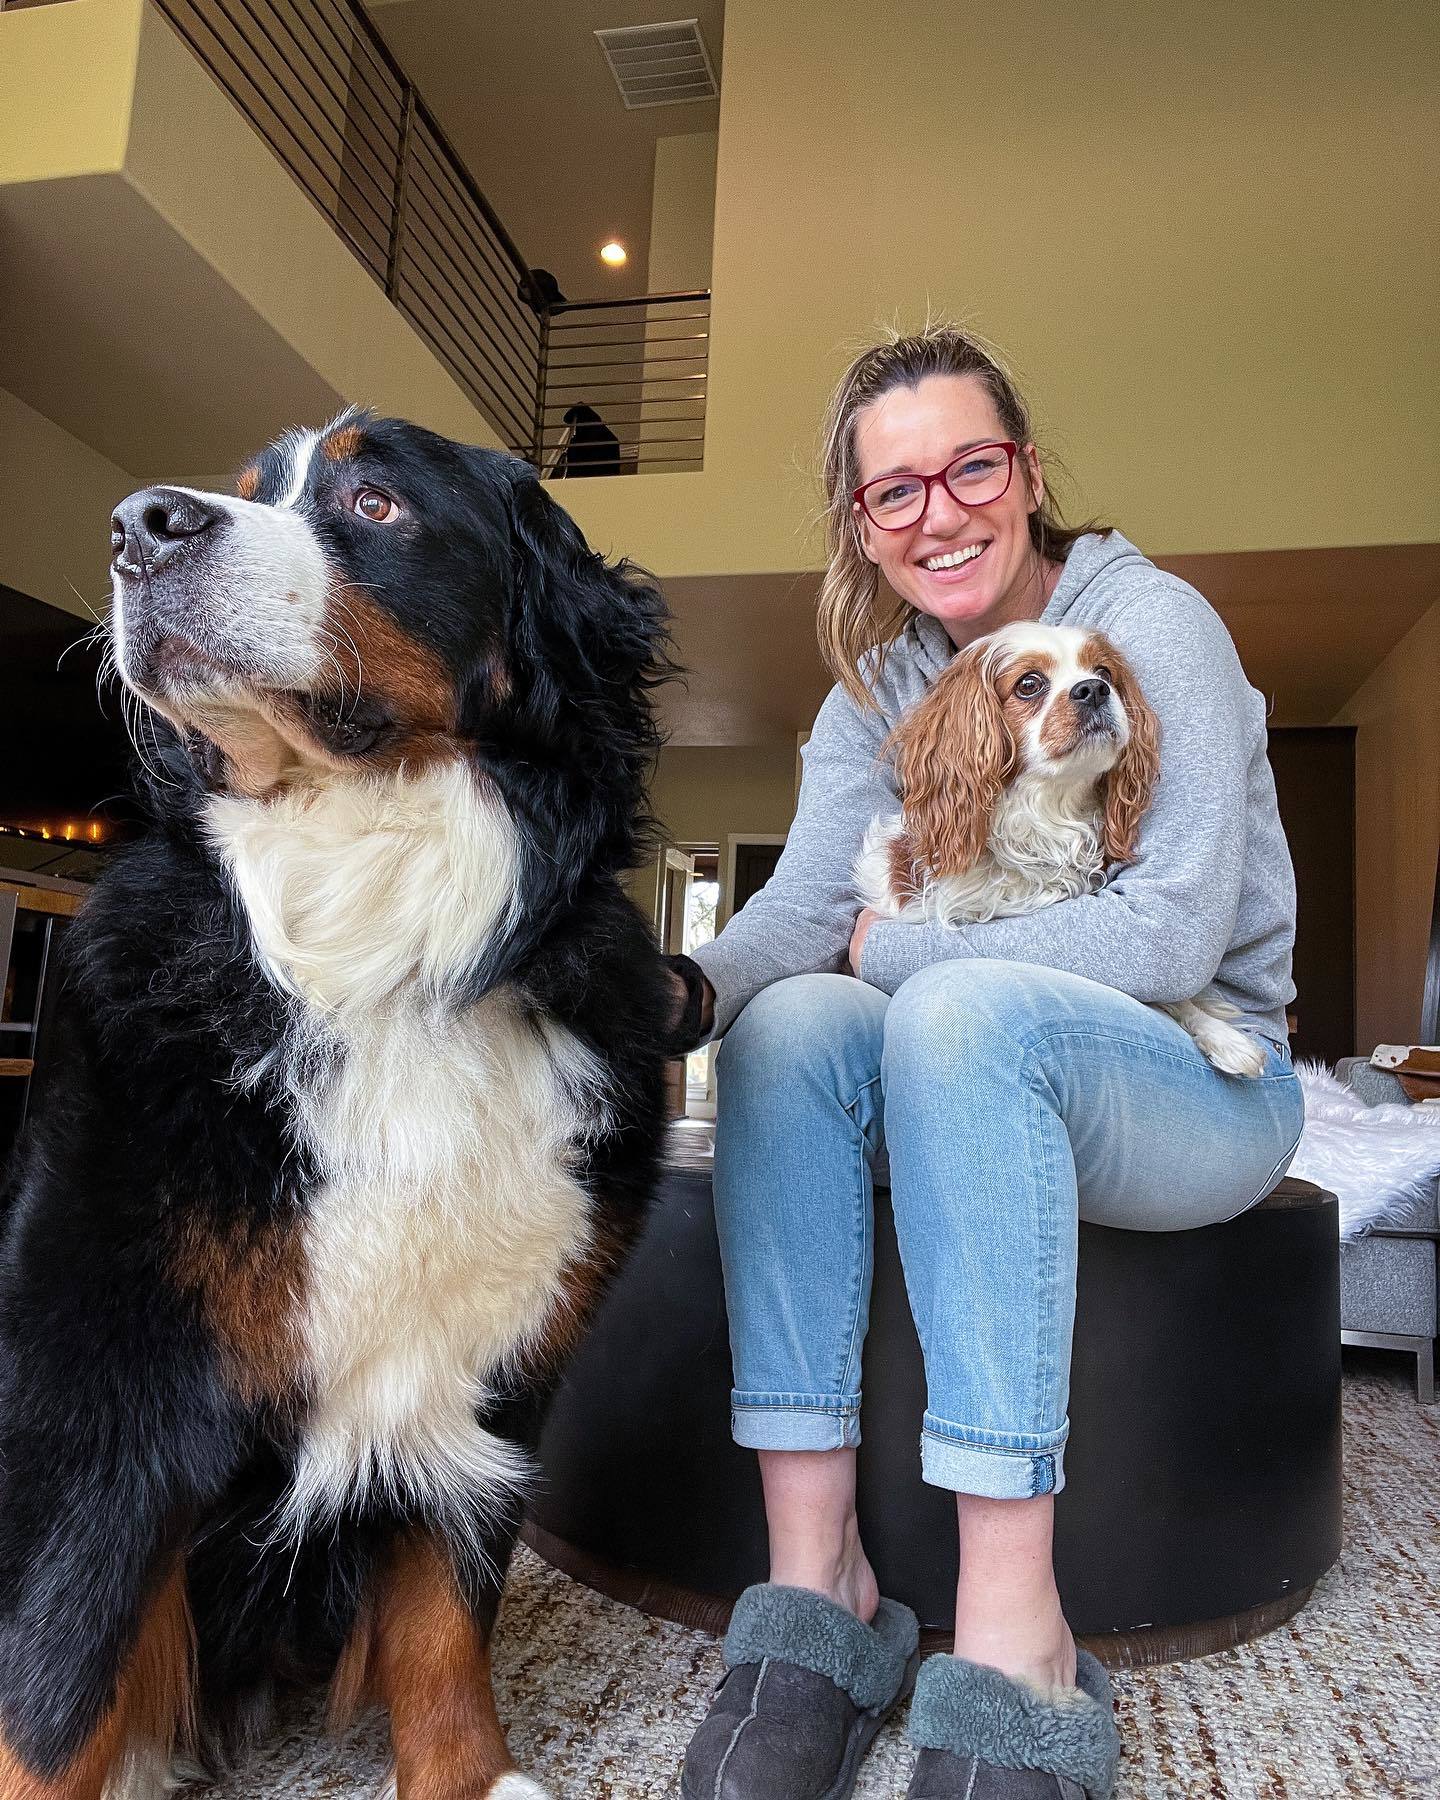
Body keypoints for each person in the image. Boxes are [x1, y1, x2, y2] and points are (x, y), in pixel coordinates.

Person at [671, 325, 1304, 1800]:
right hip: (984, 1069)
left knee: (931, 1006)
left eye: (971, 467)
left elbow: (1161, 944)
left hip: (1200, 1086)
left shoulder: (1155, 627)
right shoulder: (872, 695)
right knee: (791, 1026)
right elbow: (806, 914)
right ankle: (820, 1586)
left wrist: (887, 956)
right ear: (861, 524)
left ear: (1025, 474)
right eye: (896, 490)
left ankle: (1017, 1639)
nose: (939, 511)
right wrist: (682, 987)